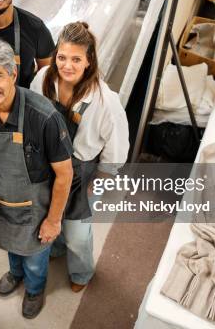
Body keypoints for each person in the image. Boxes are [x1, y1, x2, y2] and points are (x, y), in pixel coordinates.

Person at [0, 40, 73, 319]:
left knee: (36, 259)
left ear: (13, 73)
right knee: (10, 246)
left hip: (36, 206)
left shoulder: (44, 117)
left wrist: (53, 220)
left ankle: (35, 289)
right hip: (0, 202)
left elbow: (65, 174)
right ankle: (16, 273)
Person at [30, 22, 129, 292]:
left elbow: (116, 152)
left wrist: (97, 183)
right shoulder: (42, 80)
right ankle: (57, 247)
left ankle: (81, 273)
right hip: (47, 163)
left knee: (78, 233)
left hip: (82, 171)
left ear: (89, 61)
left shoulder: (106, 103)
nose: (67, 66)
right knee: (51, 215)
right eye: (62, 57)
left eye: (76, 59)